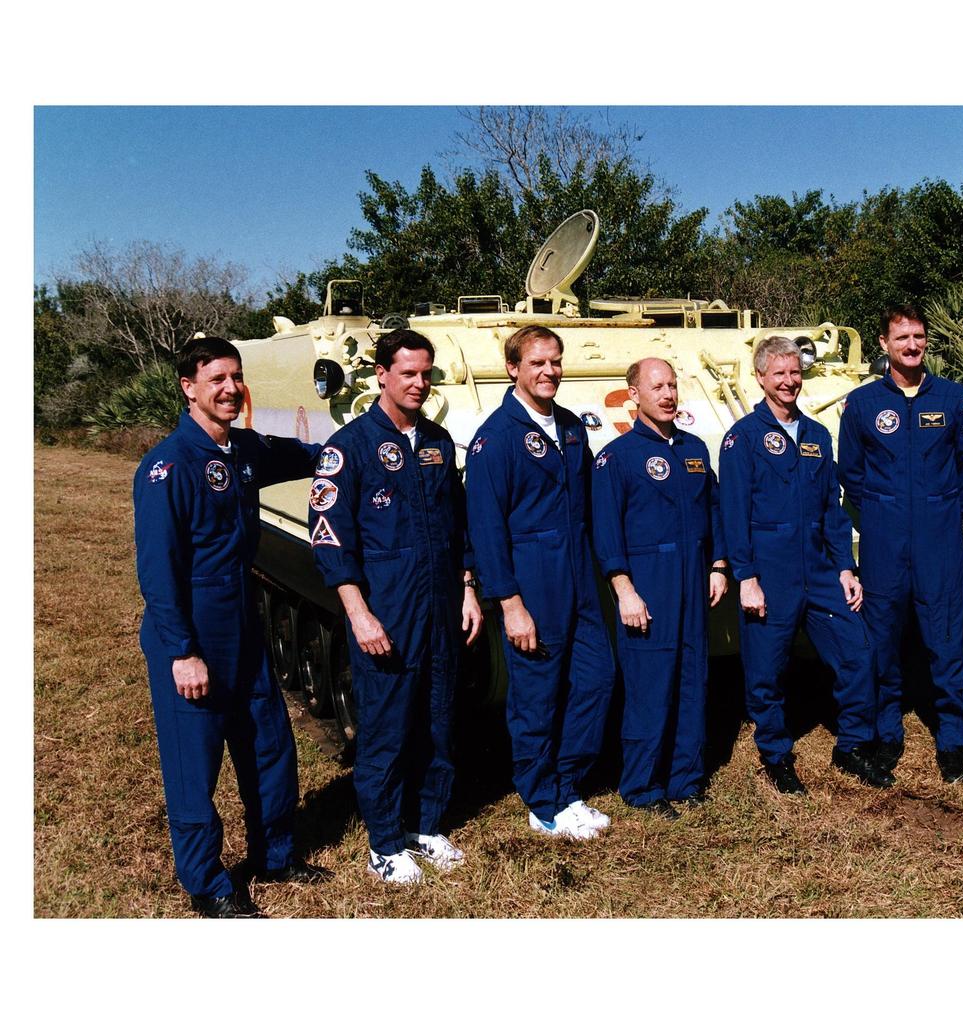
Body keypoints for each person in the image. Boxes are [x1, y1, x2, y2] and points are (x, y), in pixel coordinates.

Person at [133, 336, 326, 918]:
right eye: (215, 378)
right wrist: (181, 651)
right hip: (194, 627)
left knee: (269, 743)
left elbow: (302, 454)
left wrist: (351, 448)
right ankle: (208, 883)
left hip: (244, 617)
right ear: (188, 388)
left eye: (235, 377)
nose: (229, 388)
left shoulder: (243, 449)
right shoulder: (168, 467)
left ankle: (276, 852)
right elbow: (158, 573)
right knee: (196, 762)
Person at [309, 328, 482, 883]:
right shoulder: (350, 446)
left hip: (440, 605)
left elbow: (459, 525)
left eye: (425, 373)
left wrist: (467, 588)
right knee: (386, 727)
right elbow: (330, 537)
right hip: (387, 607)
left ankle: (426, 826)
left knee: (438, 720)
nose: (418, 383)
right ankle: (384, 842)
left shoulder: (437, 442)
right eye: (407, 373)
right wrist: (358, 613)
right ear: (381, 374)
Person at [718, 335, 891, 794]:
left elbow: (832, 511)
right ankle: (775, 753)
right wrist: (746, 578)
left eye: (795, 373)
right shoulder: (744, 439)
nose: (789, 381)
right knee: (767, 669)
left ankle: (852, 744)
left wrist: (845, 567)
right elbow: (732, 515)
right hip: (769, 570)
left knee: (858, 651)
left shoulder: (816, 436)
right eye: (779, 374)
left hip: (818, 567)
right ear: (760, 378)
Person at [465, 325, 616, 838]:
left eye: (554, 361)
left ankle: (568, 785)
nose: (549, 371)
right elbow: (486, 528)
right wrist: (509, 602)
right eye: (536, 363)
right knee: (536, 696)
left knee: (596, 680)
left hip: (579, 578)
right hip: (532, 582)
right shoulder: (497, 438)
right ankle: (542, 801)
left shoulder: (572, 427)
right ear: (513, 369)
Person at [838, 305, 963, 783]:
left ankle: (953, 742)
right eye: (902, 337)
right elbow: (851, 474)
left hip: (938, 538)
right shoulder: (861, 404)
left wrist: (941, 508)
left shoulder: (954, 397)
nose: (912, 345)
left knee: (946, 637)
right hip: (883, 539)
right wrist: (884, 512)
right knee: (883, 638)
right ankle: (886, 736)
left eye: (919, 336)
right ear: (884, 343)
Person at [591, 358, 728, 817]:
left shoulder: (694, 450)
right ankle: (643, 786)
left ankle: (686, 780)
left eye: (672, 385)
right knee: (650, 686)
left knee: (693, 679)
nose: (668, 394)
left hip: (693, 579)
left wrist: (718, 564)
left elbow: (715, 512)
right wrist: (624, 589)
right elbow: (607, 533)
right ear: (634, 395)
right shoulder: (617, 457)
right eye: (657, 387)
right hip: (649, 584)